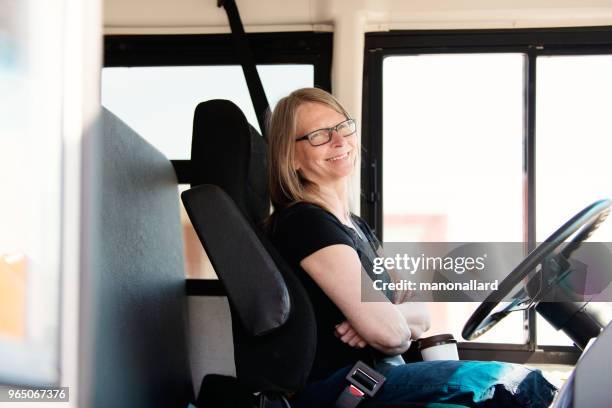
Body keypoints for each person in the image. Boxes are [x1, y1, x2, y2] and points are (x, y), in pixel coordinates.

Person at [265, 87, 557, 407]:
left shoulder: (357, 226)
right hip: (349, 386)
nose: (339, 140)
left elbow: (420, 314)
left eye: (342, 126)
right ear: (290, 157)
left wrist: (383, 318)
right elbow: (391, 336)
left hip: (382, 372)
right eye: (320, 135)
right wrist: (382, 324)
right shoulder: (306, 223)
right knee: (520, 386)